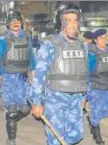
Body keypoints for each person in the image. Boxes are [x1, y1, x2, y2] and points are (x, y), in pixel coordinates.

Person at [31, 4, 88, 145]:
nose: (72, 24)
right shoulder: (50, 44)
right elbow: (39, 75)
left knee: (76, 135)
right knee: (56, 139)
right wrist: (37, 102)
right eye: (68, 20)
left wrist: (84, 96)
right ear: (60, 22)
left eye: (75, 20)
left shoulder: (82, 45)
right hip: (55, 99)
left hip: (76, 98)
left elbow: (85, 71)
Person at [0, 10, 35, 145]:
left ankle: (12, 119)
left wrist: (34, 77)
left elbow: (31, 59)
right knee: (12, 110)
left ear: (21, 23)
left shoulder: (27, 36)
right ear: (8, 24)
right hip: (8, 78)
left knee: (27, 108)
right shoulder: (2, 38)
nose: (15, 24)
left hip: (23, 79)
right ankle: (11, 140)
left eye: (17, 21)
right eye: (12, 22)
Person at [86, 28, 108, 145]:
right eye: (101, 38)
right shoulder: (92, 54)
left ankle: (93, 123)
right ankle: (97, 135)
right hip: (96, 86)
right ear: (95, 40)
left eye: (105, 37)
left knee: (105, 111)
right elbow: (87, 71)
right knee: (97, 110)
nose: (104, 40)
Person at [81, 31, 94, 115]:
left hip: (85, 73)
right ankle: (81, 107)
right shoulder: (87, 47)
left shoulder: (82, 46)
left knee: (86, 92)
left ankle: (83, 107)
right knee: (86, 92)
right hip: (87, 73)